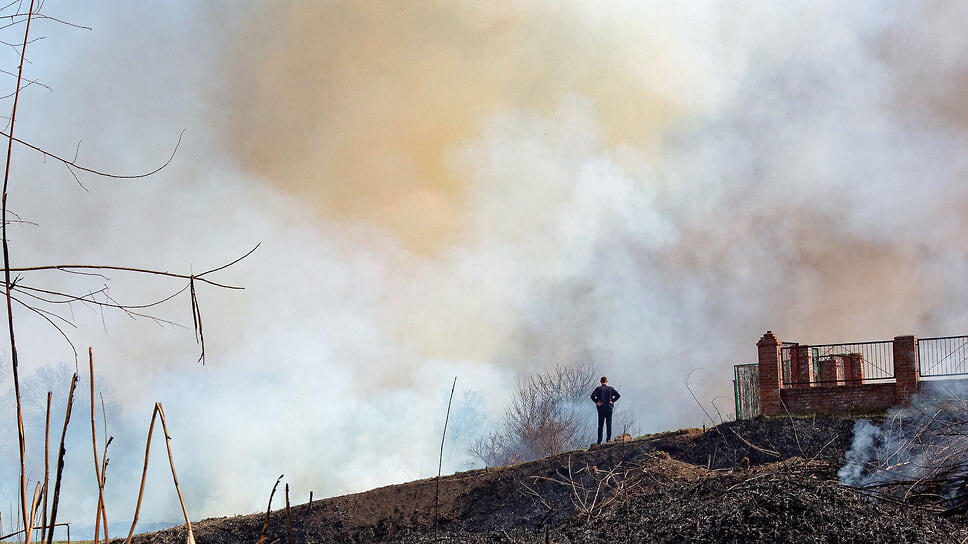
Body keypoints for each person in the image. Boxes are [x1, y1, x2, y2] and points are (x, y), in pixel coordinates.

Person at [590, 376, 620, 444]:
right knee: (609, 425)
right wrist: (612, 401)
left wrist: (597, 402)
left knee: (600, 426)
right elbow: (618, 395)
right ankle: (608, 439)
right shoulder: (610, 389)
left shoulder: (598, 389)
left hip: (601, 409)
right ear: (606, 381)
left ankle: (599, 441)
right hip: (609, 408)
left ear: (600, 381)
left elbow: (592, 396)